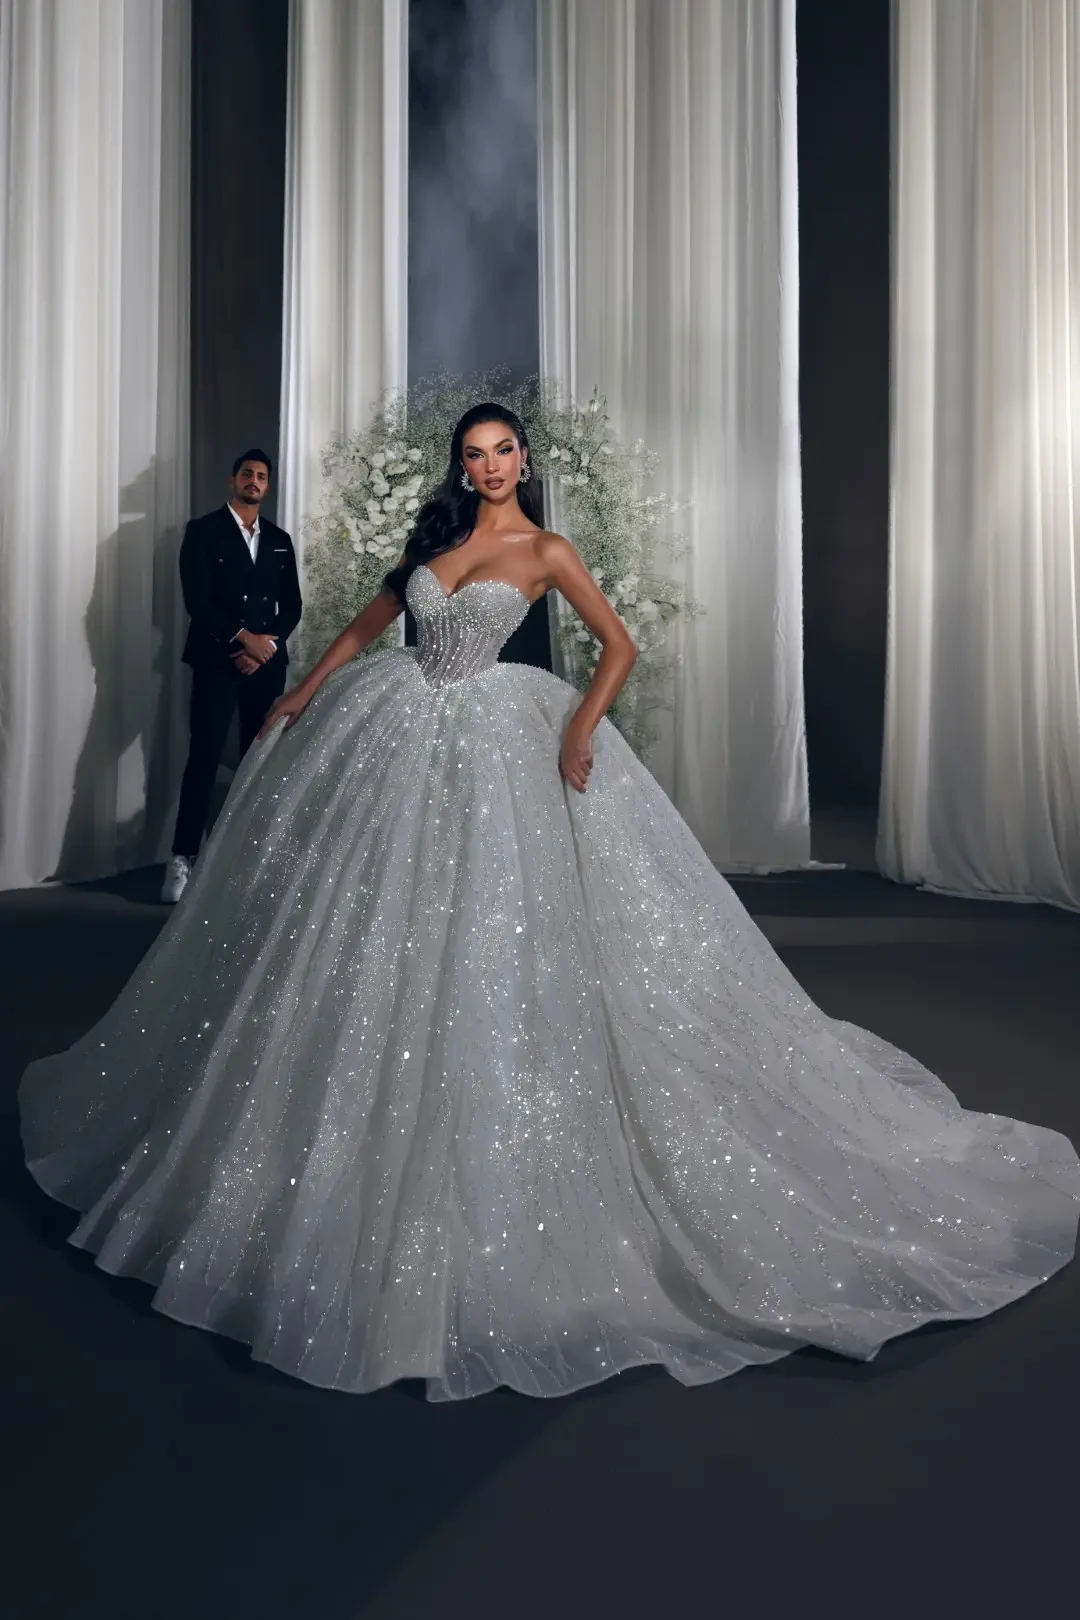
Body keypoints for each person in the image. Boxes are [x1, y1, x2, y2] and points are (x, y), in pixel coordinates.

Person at [19, 404, 1079, 1402]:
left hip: (495, 739)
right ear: (462, 465)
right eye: (473, 454)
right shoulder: (434, 544)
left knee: (493, 934)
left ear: (526, 461)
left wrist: (579, 730)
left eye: (501, 453)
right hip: (394, 726)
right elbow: (369, 623)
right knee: (346, 934)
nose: (487, 468)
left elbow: (619, 647)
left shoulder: (546, 553)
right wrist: (302, 691)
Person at [161, 449, 302, 903]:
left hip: (266, 665)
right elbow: (197, 601)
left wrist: (266, 647)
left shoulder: (280, 540)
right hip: (216, 661)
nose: (254, 481)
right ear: (233, 480)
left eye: (262, 476)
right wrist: (244, 640)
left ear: (268, 486)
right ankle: (183, 860)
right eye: (247, 474)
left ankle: (247, 860)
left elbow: (292, 605)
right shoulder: (203, 533)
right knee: (203, 758)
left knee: (257, 762)